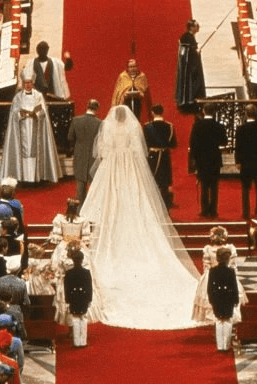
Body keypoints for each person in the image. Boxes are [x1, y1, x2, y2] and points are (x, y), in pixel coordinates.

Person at [80, 105, 199, 329]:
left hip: (114, 163)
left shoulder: (107, 126)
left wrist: (115, 153)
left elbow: (103, 151)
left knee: (113, 192)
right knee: (133, 193)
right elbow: (137, 149)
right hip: (128, 163)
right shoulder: (134, 127)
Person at [0, 75, 61, 183]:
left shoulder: (38, 95)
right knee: (24, 153)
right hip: (22, 128)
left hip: (36, 127)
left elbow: (43, 111)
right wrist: (20, 114)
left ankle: (36, 177)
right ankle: (23, 178)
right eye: (26, 83)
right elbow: (14, 112)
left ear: (33, 83)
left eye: (30, 83)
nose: (28, 85)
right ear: (23, 84)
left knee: (34, 152)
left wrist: (35, 113)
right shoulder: (18, 97)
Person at [189, 103, 228, 217]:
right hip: (215, 158)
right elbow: (224, 142)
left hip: (201, 158)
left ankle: (204, 210)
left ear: (204, 111)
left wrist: (194, 159)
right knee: (214, 186)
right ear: (214, 112)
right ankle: (213, 210)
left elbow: (193, 143)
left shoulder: (197, 125)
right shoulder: (218, 126)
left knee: (204, 185)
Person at [234, 104, 257, 219]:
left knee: (245, 187)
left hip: (244, 161)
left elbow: (237, 147)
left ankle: (245, 212)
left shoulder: (241, 129)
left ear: (246, 114)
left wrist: (237, 161)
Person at [67, 99, 102, 203]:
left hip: (79, 155)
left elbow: (70, 137)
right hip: (93, 157)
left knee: (80, 184)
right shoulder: (100, 123)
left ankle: (80, 208)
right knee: (93, 184)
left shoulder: (76, 120)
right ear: (97, 109)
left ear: (87, 106)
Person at [143, 104, 177, 208]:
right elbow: (173, 144)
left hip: (152, 155)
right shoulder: (170, 126)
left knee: (152, 179)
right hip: (165, 156)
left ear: (152, 112)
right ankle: (166, 204)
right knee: (165, 181)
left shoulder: (147, 126)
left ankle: (152, 204)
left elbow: (145, 143)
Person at [207, 247, 240, 352]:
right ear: (228, 259)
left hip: (217, 297)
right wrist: (236, 299)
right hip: (228, 298)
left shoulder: (212, 271)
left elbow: (209, 287)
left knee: (218, 320)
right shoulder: (231, 271)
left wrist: (211, 299)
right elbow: (234, 287)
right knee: (227, 320)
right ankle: (226, 345)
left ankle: (220, 346)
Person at [64, 249, 93, 348]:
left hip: (73, 296)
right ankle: (83, 341)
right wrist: (89, 299)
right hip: (83, 296)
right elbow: (89, 287)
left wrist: (67, 299)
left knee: (75, 318)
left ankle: (76, 342)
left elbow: (66, 287)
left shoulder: (69, 272)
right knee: (83, 318)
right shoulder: (86, 272)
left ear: (72, 260)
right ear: (82, 259)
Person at [176, 19, 205, 111]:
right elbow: (185, 52)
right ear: (192, 27)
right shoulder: (186, 37)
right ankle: (189, 100)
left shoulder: (190, 36)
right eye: (197, 26)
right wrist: (196, 51)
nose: (198, 28)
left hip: (191, 64)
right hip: (189, 67)